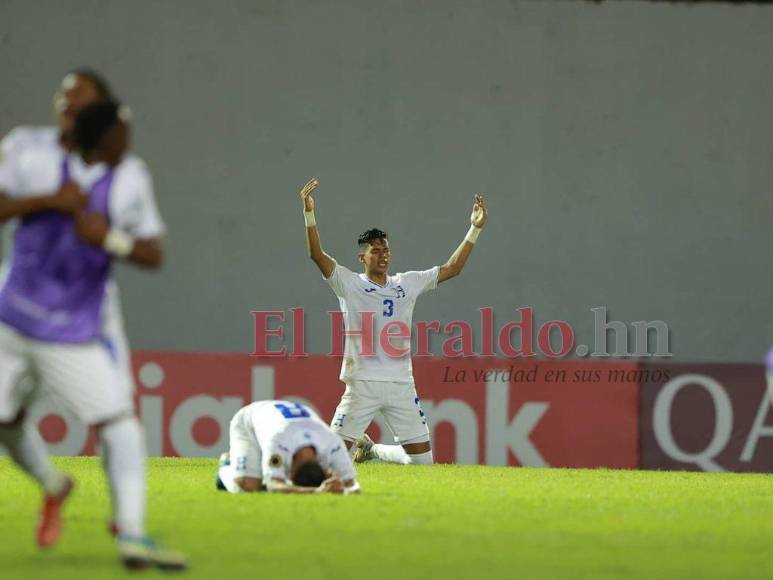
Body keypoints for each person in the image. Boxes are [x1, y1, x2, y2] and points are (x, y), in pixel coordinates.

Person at [0, 98, 185, 570]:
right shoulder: (40, 166)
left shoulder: (127, 178)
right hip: (11, 321)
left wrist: (108, 238)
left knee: (120, 424)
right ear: (97, 136)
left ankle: (133, 535)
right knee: (5, 421)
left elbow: (153, 254)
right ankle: (53, 484)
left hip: (70, 333)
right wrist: (48, 202)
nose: (127, 138)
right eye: (120, 130)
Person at [299, 177, 488, 465]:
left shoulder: (408, 283)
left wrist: (474, 229)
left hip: (401, 384)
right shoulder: (348, 283)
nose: (383, 254)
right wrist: (309, 213)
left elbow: (453, 268)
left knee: (423, 463)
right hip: (362, 384)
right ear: (362, 257)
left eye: (386, 249)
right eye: (376, 250)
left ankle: (372, 450)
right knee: (329, 461)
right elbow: (316, 254)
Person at [216, 400, 360, 494]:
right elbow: (273, 485)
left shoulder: (333, 443)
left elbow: (353, 486)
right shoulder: (279, 441)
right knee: (248, 487)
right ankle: (227, 467)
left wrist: (341, 487)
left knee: (265, 482)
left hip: (285, 421)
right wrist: (317, 492)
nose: (288, 475)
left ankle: (253, 467)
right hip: (248, 421)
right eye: (289, 473)